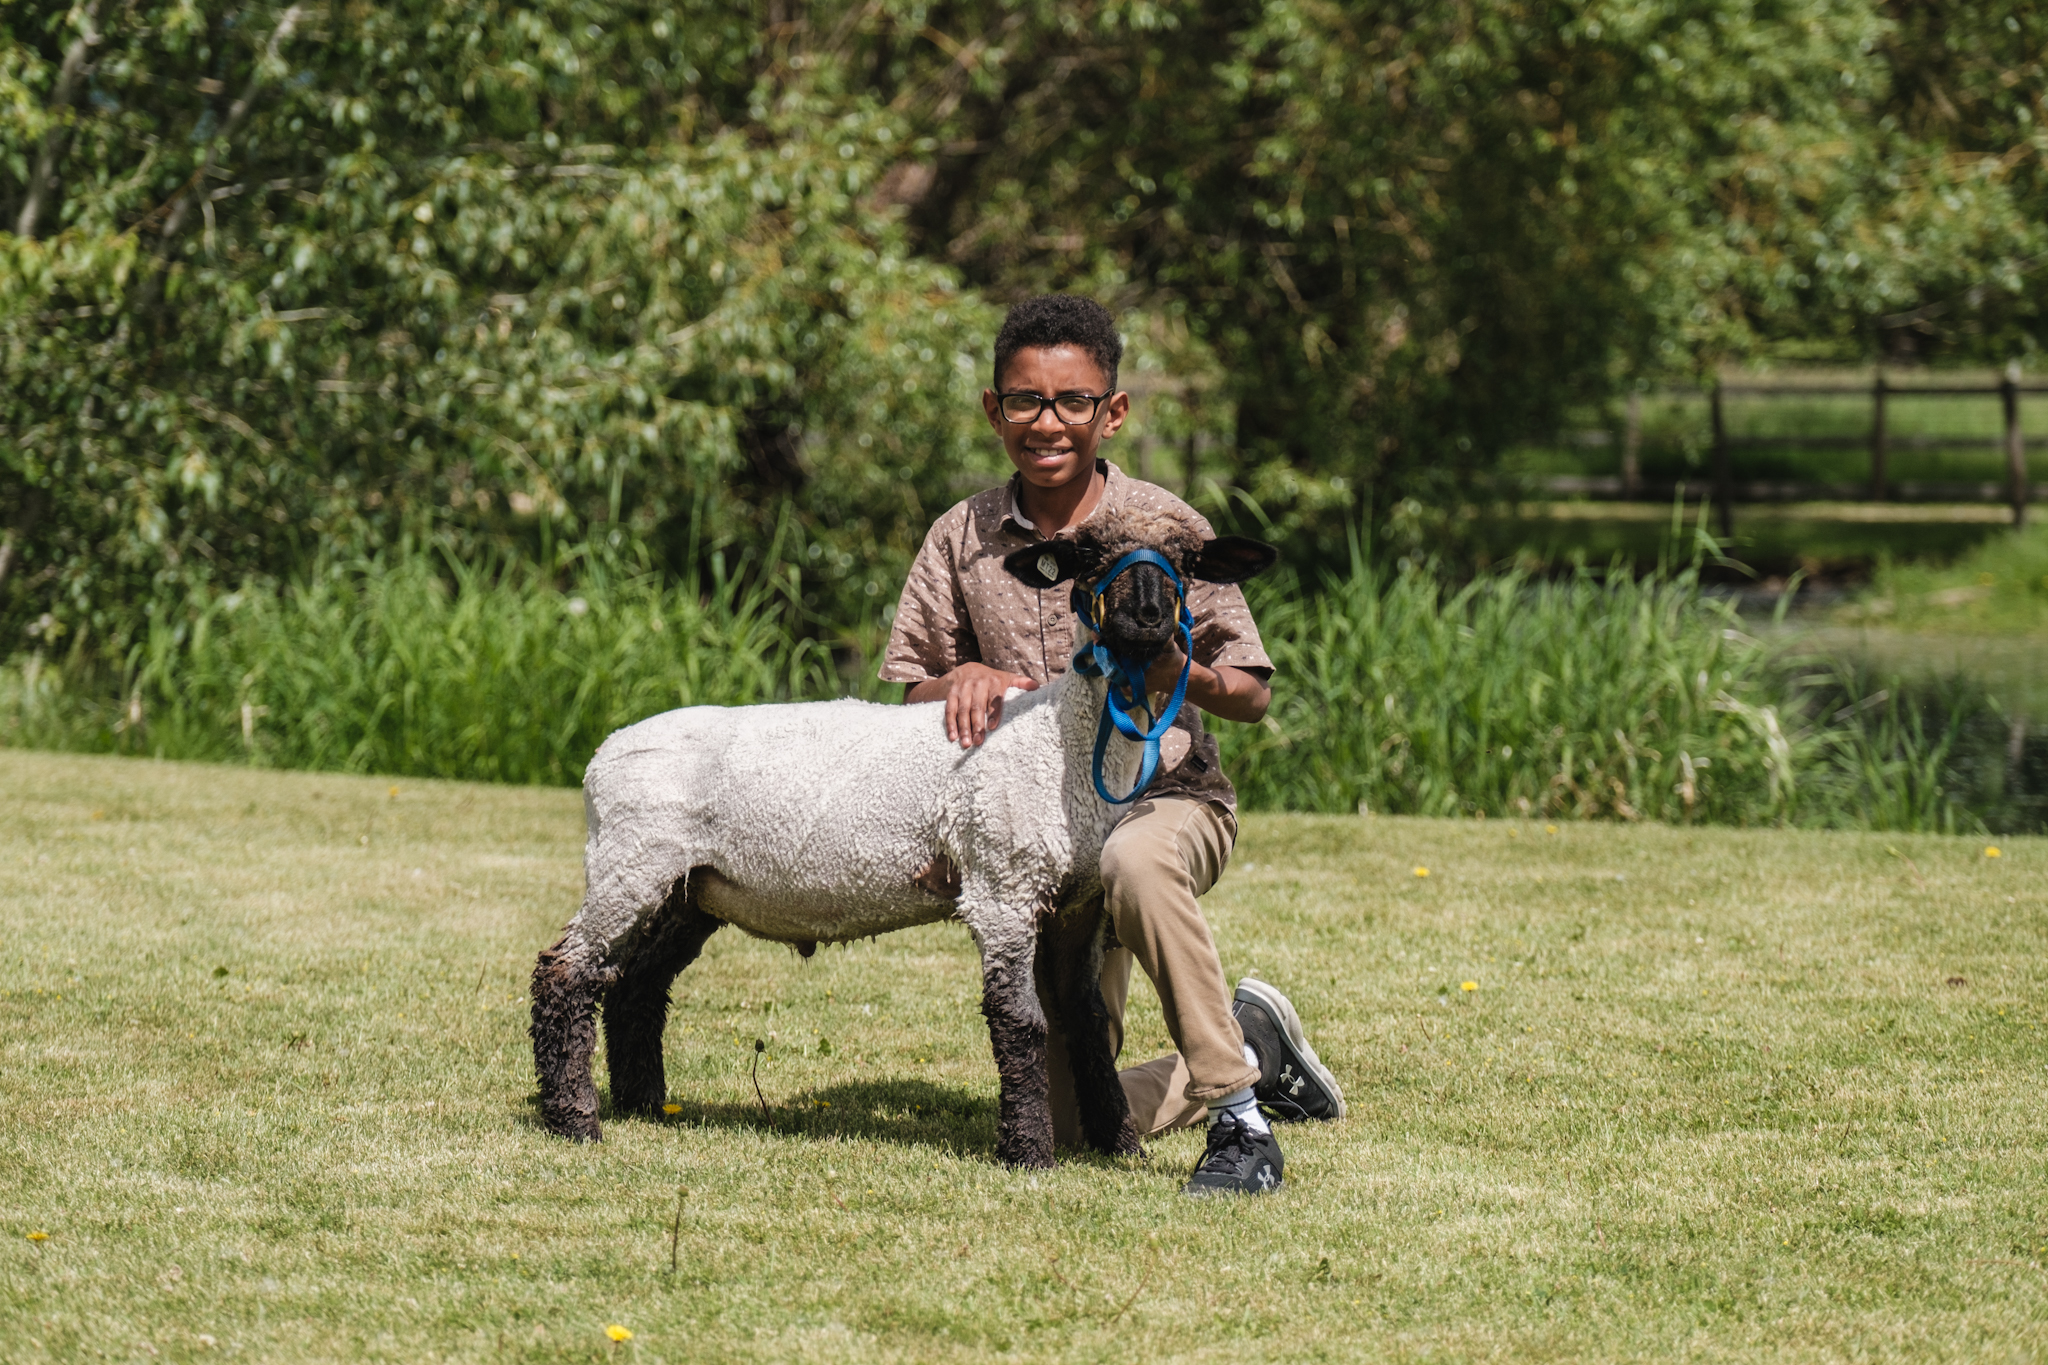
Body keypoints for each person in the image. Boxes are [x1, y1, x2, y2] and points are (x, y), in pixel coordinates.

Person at [881, 294, 1343, 1196]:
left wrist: (1187, 676)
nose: (1047, 423)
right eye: (1025, 401)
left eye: (1072, 401)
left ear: (1112, 410)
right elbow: (911, 688)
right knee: (1067, 1127)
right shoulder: (961, 536)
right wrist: (958, 677)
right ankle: (1252, 1042)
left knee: (1134, 857)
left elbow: (1251, 689)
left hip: (1167, 805)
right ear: (993, 408)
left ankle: (1238, 1120)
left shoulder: (1164, 525)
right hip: (1043, 840)